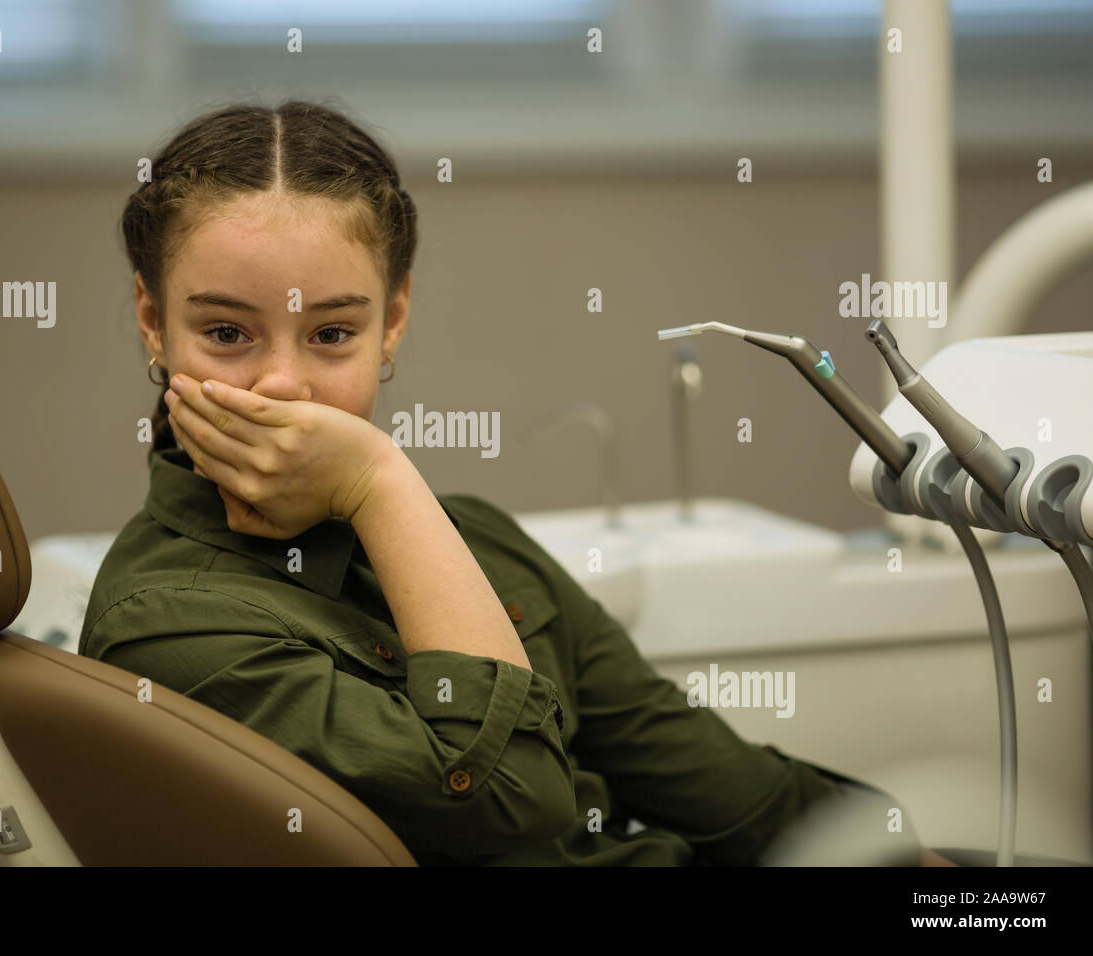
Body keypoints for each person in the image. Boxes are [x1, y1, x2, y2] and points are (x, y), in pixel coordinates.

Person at [80, 98, 952, 866]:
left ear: (394, 324)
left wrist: (902, 858)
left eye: (332, 335)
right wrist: (380, 478)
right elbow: (509, 794)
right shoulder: (161, 633)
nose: (281, 384)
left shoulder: (475, 539)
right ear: (155, 323)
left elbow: (722, 787)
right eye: (229, 334)